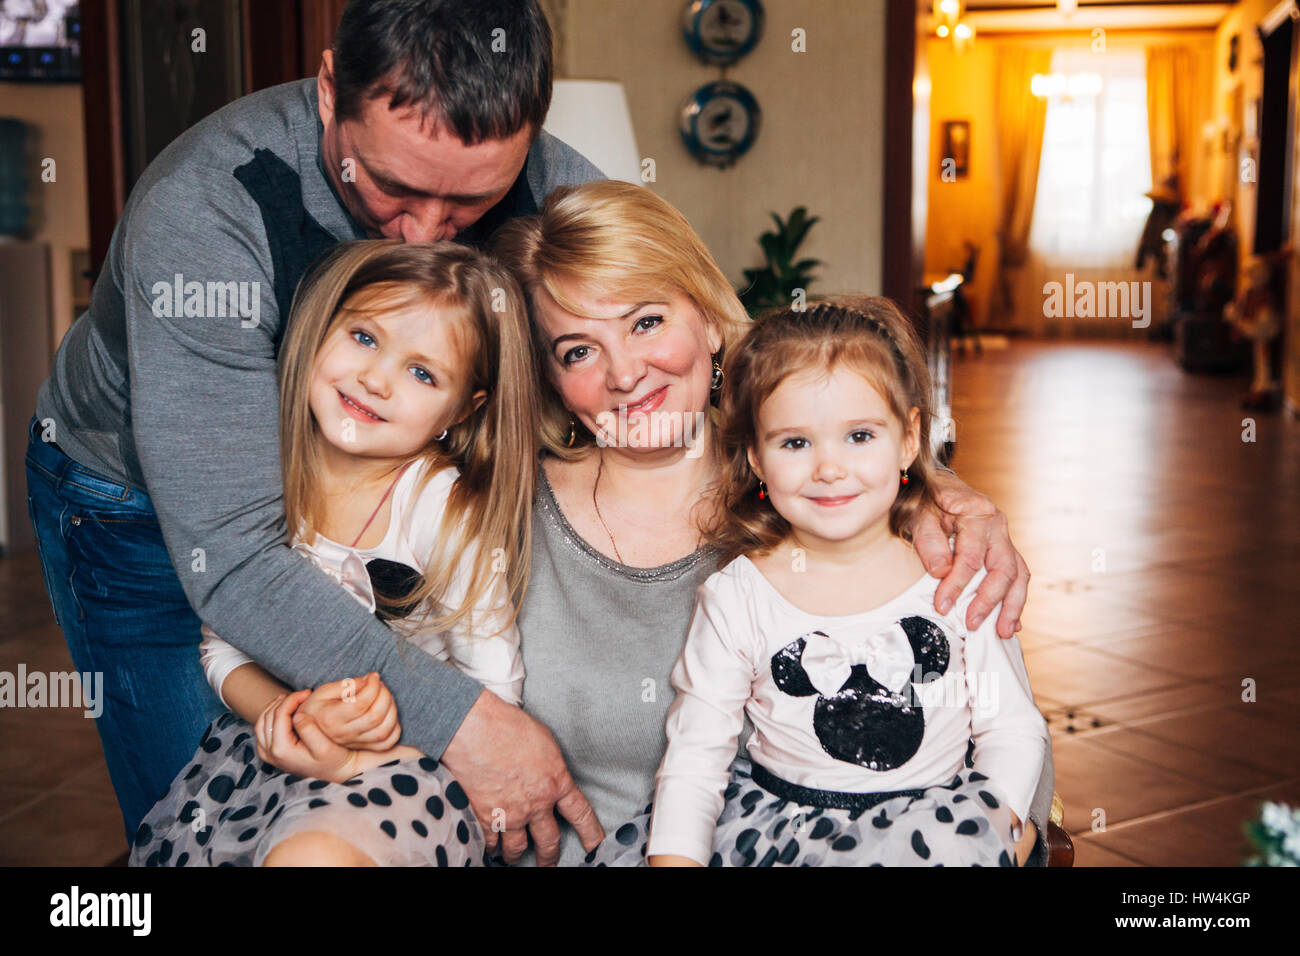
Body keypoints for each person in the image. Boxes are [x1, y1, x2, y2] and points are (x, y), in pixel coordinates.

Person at [25, 0, 604, 857]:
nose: (424, 233)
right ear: (332, 91)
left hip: (380, 508)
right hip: (144, 507)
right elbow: (234, 559)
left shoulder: (556, 184)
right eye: (395, 187)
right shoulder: (203, 211)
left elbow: (676, 335)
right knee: (197, 818)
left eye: (471, 202)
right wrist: (467, 727)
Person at [492, 181, 1047, 867]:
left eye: (645, 322)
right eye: (577, 350)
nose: (625, 373)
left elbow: (1013, 754)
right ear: (546, 377)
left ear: (706, 314)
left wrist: (994, 830)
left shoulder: (870, 517)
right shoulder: (497, 509)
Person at [583, 296, 1049, 867]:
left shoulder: (956, 577)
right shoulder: (737, 595)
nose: (829, 468)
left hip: (929, 833)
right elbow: (696, 756)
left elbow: (1013, 726)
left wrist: (994, 828)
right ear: (756, 457)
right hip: (780, 832)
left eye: (859, 436)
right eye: (796, 443)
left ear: (909, 438)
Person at [131, 239, 542, 866]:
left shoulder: (442, 508)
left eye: (422, 372)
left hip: (410, 778)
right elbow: (222, 643)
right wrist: (286, 716)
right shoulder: (261, 474)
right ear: (322, 328)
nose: (374, 379)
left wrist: (356, 758)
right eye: (365, 338)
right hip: (267, 764)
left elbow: (493, 704)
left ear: (461, 410)